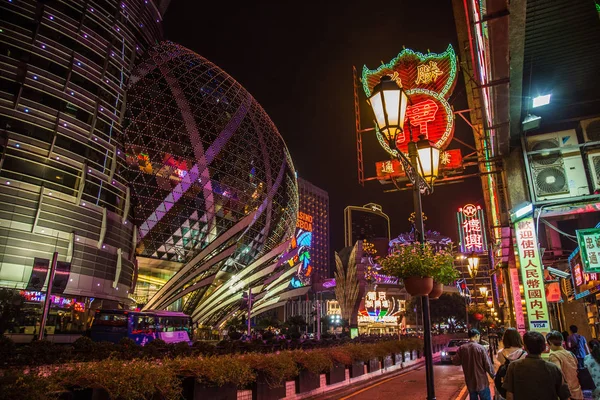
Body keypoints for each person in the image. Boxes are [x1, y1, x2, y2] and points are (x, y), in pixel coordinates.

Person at [503, 331, 570, 400]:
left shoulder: (513, 366)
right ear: (544, 347)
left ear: (525, 347)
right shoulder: (553, 368)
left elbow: (509, 396)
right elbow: (564, 395)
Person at [453, 329, 495, 400]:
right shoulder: (481, 348)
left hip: (470, 382)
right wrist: (493, 376)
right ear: (476, 336)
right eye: (479, 336)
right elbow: (488, 365)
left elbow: (455, 361)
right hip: (482, 382)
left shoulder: (462, 348)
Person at [547, 330, 583, 400]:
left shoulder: (554, 356)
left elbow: (558, 376)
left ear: (550, 342)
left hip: (567, 394)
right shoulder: (570, 353)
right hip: (577, 391)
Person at [494, 328, 527, 400]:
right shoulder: (524, 354)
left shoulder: (500, 353)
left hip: (506, 385)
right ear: (518, 338)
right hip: (521, 383)